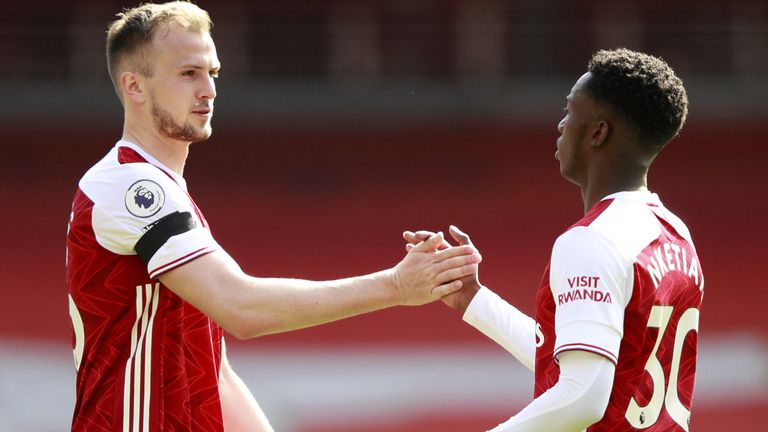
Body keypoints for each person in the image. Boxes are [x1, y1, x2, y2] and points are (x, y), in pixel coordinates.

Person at [65, 2, 481, 431]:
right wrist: (395, 285)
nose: (208, 89)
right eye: (189, 73)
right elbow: (241, 307)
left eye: (213, 73)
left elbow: (215, 370)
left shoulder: (164, 191)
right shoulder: (130, 187)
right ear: (134, 86)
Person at [406, 48, 703, 431]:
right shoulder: (676, 235)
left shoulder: (592, 240)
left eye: (570, 111)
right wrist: (473, 299)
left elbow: (583, 397)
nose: (561, 125)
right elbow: (584, 361)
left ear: (598, 131)